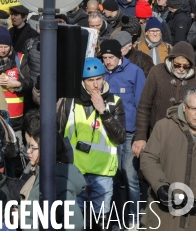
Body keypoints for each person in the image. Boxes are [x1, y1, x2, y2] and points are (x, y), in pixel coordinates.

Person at [57, 58, 126, 229]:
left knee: (100, 222)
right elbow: (57, 133)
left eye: (99, 79)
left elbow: (120, 137)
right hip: (75, 170)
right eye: (90, 80)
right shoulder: (69, 101)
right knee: (74, 221)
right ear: (82, 82)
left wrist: (103, 111)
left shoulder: (114, 101)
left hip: (102, 172)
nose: (96, 85)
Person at [100, 39, 145, 229]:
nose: (107, 61)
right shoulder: (100, 74)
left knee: (130, 177)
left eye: (111, 57)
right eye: (104, 57)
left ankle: (134, 218)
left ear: (120, 56)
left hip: (128, 134)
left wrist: (142, 135)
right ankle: (117, 218)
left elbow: (142, 105)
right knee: (112, 177)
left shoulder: (134, 72)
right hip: (107, 133)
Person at [17, 110, 85, 231]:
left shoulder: (57, 182)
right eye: (28, 146)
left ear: (47, 149)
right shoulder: (42, 174)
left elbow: (76, 224)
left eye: (32, 147)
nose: (28, 151)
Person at [141, 86, 196, 231]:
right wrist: (160, 186)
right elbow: (148, 158)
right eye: (193, 109)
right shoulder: (164, 127)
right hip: (164, 216)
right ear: (184, 107)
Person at [133, 42, 196, 158]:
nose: (181, 69)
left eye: (185, 66)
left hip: (186, 139)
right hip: (157, 135)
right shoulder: (156, 72)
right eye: (177, 65)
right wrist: (141, 136)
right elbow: (144, 106)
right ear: (172, 60)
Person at [0, 27, 33, 131]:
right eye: (0, 46)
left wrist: (17, 84)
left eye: (6, 47)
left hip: (15, 116)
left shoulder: (20, 59)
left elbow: (30, 82)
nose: (3, 50)